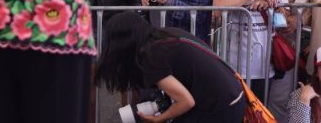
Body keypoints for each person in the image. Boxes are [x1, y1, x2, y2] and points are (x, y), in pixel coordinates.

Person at [95, 12, 246, 122]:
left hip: (220, 105)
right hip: (231, 95)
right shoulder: (162, 35)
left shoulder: (150, 56)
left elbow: (186, 101)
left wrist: (161, 118)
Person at [213, 0, 289, 108]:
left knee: (259, 112)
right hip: (234, 65)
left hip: (264, 66)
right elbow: (218, 7)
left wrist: (271, 4)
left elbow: (285, 15)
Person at [262, 0, 316, 121]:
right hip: (257, 41)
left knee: (279, 96)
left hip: (287, 46)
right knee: (258, 92)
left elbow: (312, 8)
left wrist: (298, 20)